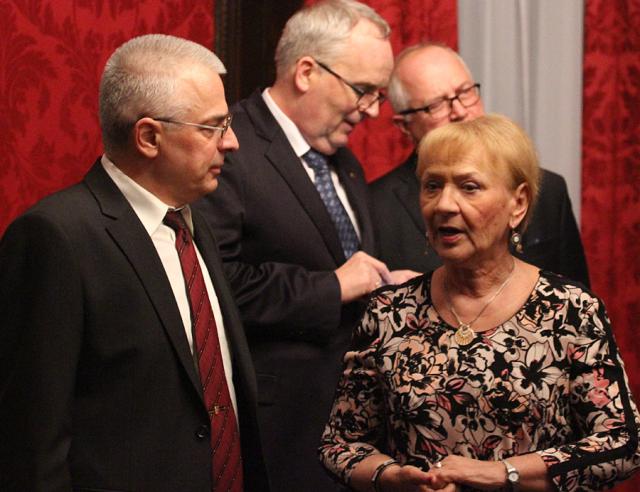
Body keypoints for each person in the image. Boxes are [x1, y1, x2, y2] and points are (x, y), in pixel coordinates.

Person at [0, 34, 269, 491]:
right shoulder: (56, 236)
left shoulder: (192, 222)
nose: (233, 143)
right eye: (213, 127)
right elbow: (31, 439)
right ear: (149, 136)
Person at [319, 114, 640, 491]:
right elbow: (340, 444)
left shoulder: (570, 310)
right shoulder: (389, 311)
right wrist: (394, 477)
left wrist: (503, 473)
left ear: (517, 204)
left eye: (469, 187)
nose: (444, 205)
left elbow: (621, 444)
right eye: (432, 186)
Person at [193, 1, 416, 490]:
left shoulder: (344, 160)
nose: (374, 110)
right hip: (279, 433)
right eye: (363, 91)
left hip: (355, 436)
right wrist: (331, 287)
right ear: (307, 71)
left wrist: (384, 288)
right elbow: (213, 285)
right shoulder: (229, 149)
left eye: (379, 94)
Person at [370, 43, 591, 287]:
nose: (460, 112)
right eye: (436, 105)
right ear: (405, 125)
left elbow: (576, 294)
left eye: (465, 92)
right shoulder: (375, 208)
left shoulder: (546, 188)